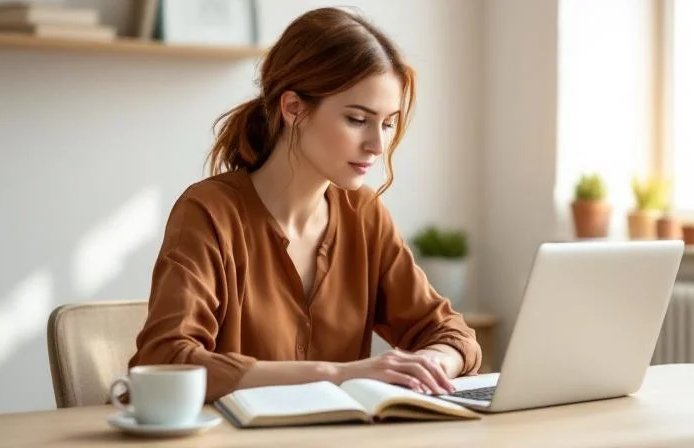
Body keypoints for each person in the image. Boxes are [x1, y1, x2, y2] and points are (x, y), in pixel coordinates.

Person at [128, 7, 481, 403]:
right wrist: (338, 374)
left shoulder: (363, 214)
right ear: (293, 107)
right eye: (356, 119)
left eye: (386, 123)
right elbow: (168, 360)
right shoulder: (209, 212)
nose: (377, 146)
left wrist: (429, 365)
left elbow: (453, 334)